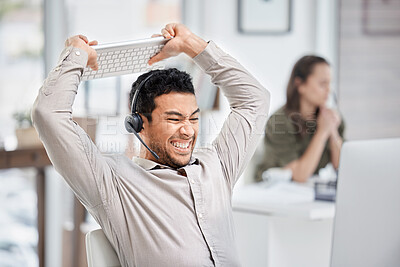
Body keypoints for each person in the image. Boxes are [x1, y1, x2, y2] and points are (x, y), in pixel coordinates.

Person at [32, 23, 270, 266]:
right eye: (174, 119)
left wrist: (191, 45)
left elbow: (255, 101)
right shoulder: (112, 183)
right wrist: (77, 56)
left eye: (194, 118)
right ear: (138, 124)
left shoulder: (217, 165)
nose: (187, 130)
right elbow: (48, 114)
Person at [256, 55, 344, 183]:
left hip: (304, 191)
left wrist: (333, 132)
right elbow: (299, 175)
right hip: (271, 190)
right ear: (300, 84)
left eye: (330, 83)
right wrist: (323, 132)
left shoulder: (329, 118)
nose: (328, 90)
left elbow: (341, 166)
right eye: (322, 84)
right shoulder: (279, 122)